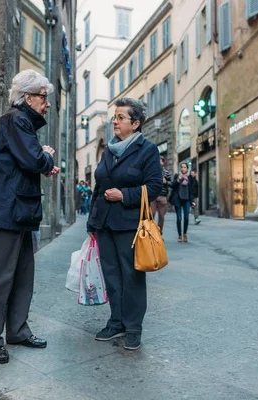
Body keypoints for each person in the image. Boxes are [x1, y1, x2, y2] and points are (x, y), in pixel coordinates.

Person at [0, 70, 60, 364]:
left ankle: (17, 330)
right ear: (28, 97)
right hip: (6, 210)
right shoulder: (16, 120)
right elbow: (32, 159)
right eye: (44, 97)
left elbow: (27, 161)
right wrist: (45, 156)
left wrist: (41, 160)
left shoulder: (19, 122)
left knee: (21, 275)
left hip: (17, 209)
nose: (47, 104)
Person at [87, 97, 162, 351]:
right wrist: (91, 221)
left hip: (130, 225)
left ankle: (133, 327)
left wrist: (124, 195)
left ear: (136, 123)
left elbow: (154, 187)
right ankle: (116, 321)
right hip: (105, 224)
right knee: (111, 276)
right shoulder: (109, 150)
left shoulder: (148, 150)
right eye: (114, 118)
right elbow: (99, 187)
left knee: (131, 276)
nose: (115, 122)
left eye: (121, 118)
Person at [170, 162, 195, 242]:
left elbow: (191, 190)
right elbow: (172, 185)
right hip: (178, 199)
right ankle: (179, 235)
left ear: (187, 168)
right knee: (179, 218)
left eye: (184, 167)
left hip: (186, 200)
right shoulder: (177, 176)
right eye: (182, 167)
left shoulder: (190, 177)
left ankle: (185, 234)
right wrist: (178, 180)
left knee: (186, 218)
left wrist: (192, 201)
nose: (183, 168)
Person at [150, 156, 171, 233]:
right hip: (153, 196)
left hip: (162, 196)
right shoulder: (152, 172)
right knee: (151, 214)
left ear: (163, 163)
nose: (159, 163)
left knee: (161, 216)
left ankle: (159, 232)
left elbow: (171, 183)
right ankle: (152, 232)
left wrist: (166, 182)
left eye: (161, 161)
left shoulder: (166, 173)